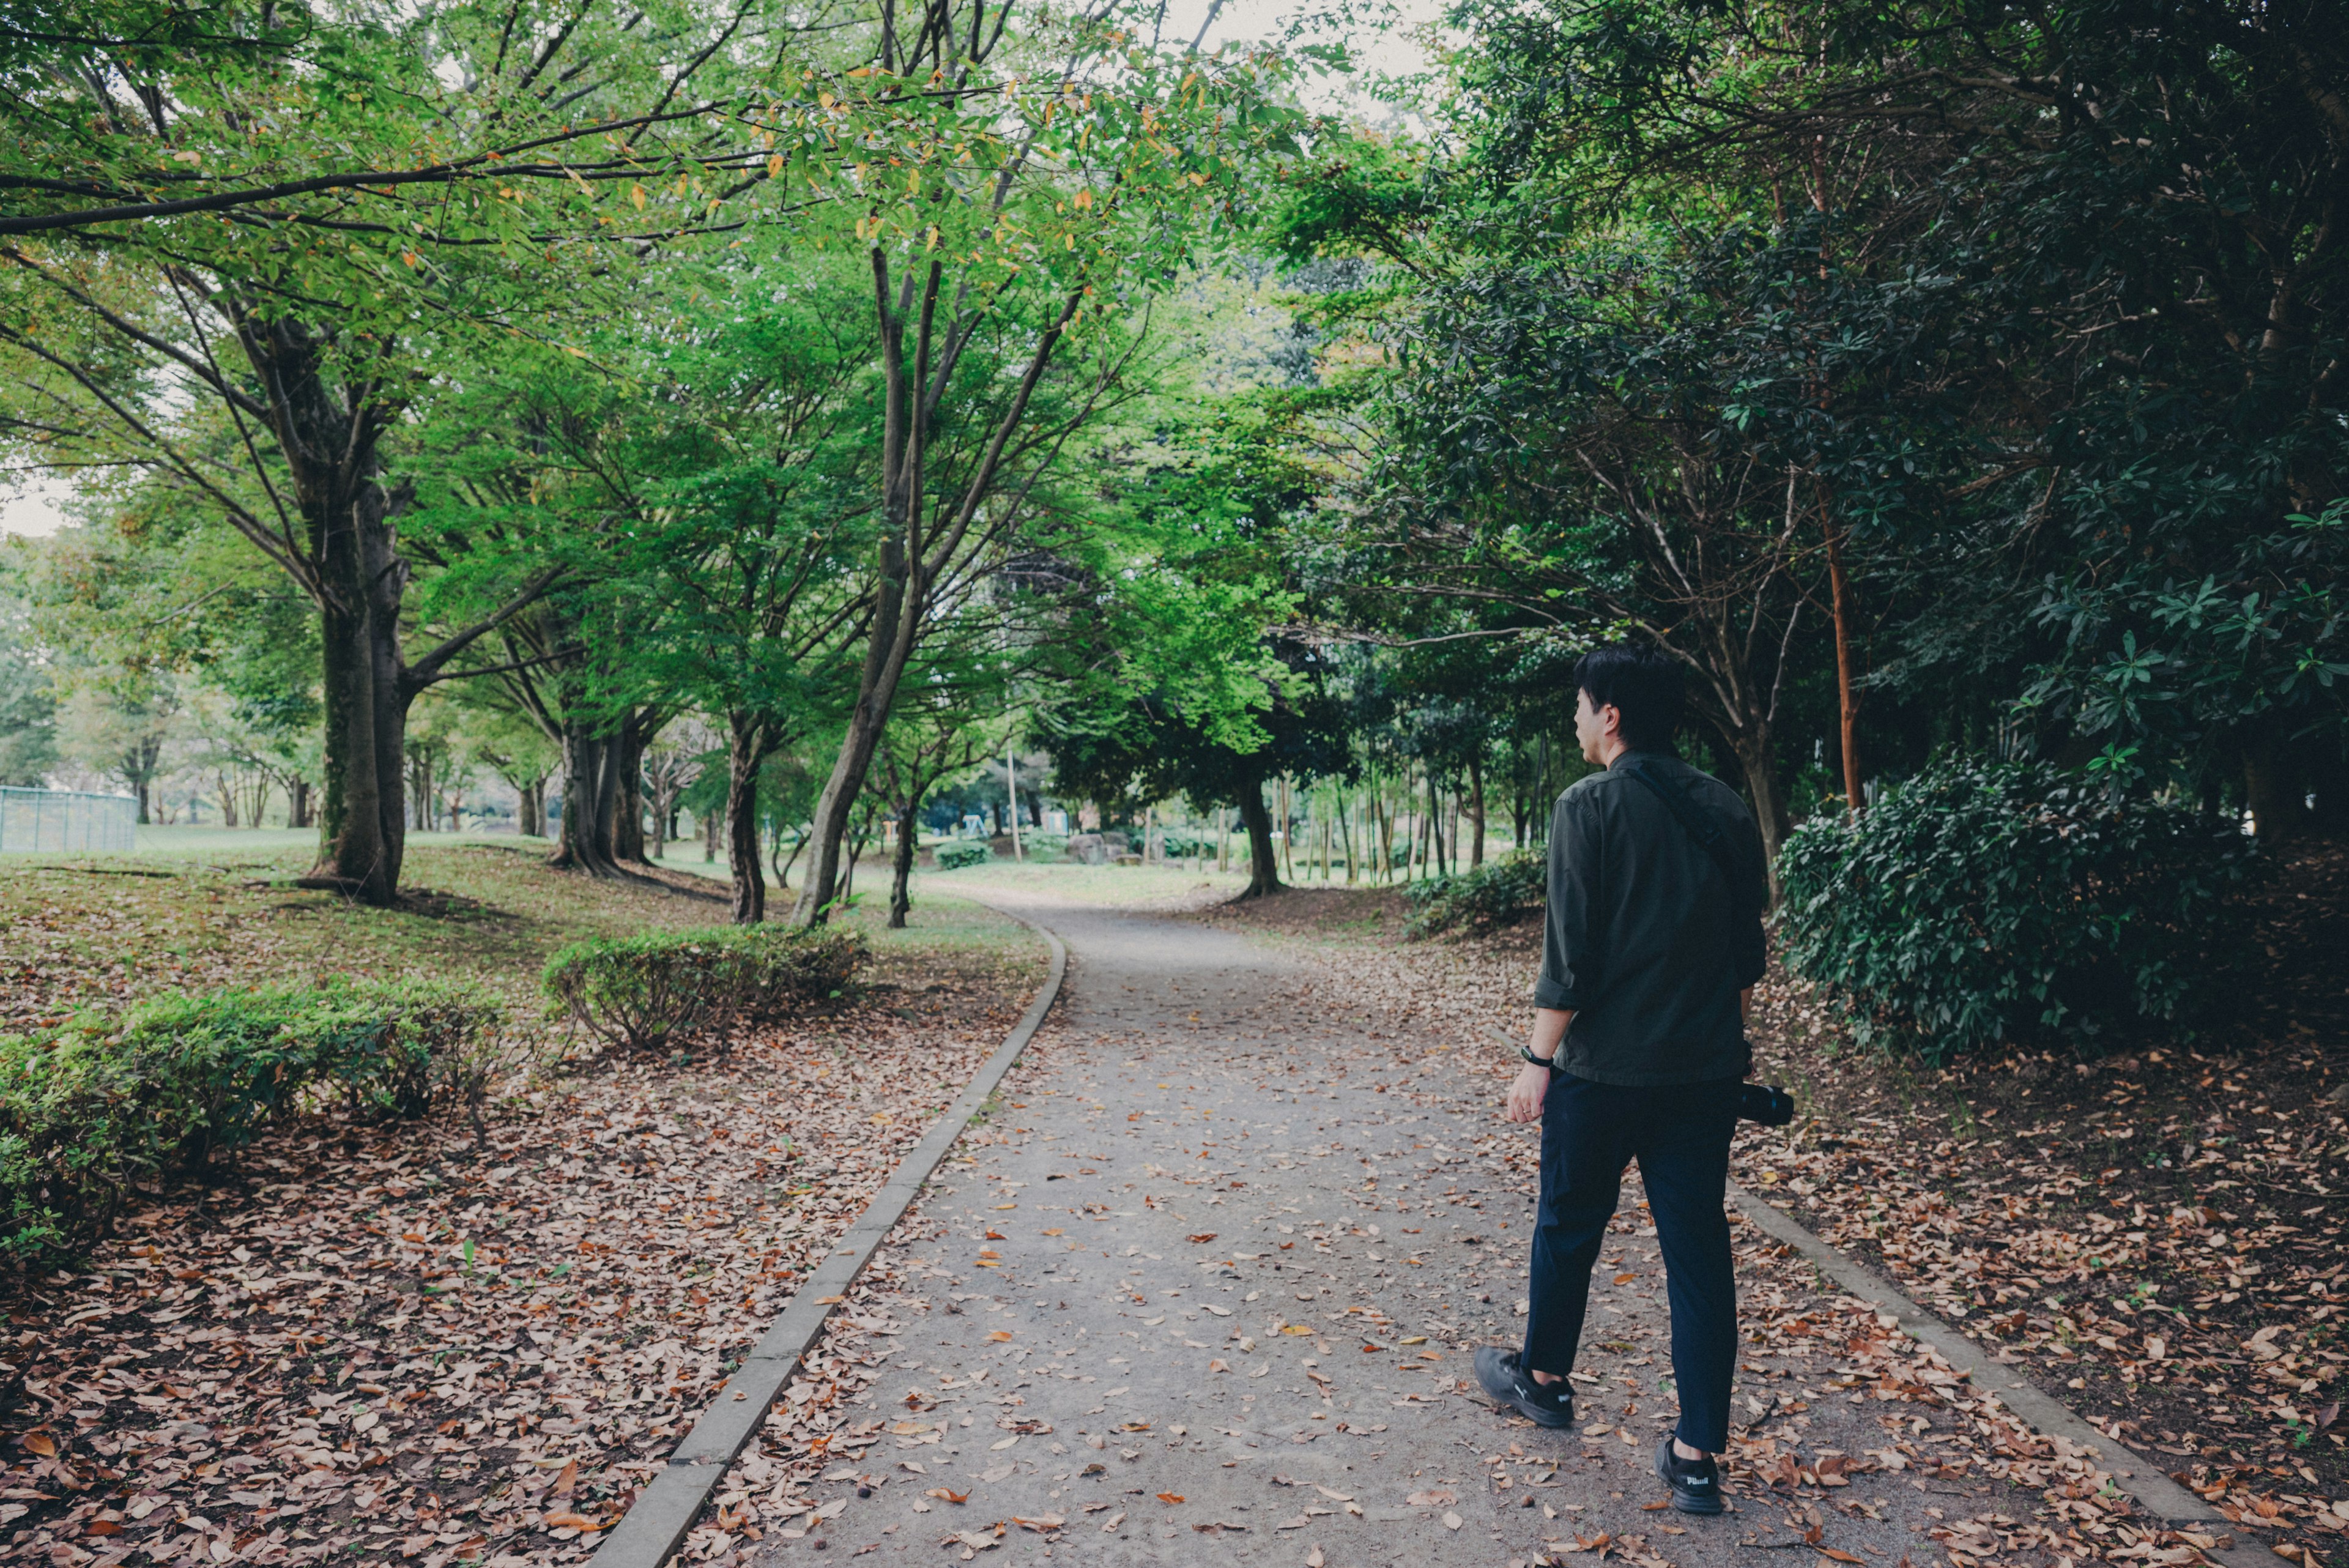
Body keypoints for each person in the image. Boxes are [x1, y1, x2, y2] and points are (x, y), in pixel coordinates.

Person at [1471, 642, 1768, 1516]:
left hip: (1601, 1074)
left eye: (1579, 705)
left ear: (1610, 716)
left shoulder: (1587, 806)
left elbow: (1572, 956)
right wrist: (1723, 1045)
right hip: (1703, 1076)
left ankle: (1547, 1381)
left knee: (1568, 1225)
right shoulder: (1726, 806)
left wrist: (1536, 1063)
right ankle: (1699, 1455)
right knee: (1699, 1256)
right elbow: (1745, 955)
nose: (1574, 718)